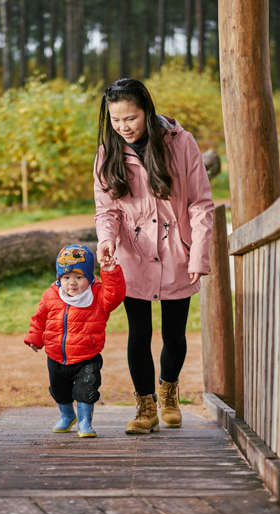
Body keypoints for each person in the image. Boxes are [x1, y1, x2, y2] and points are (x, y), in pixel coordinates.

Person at [93, 78, 214, 434]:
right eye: (115, 120)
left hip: (178, 251)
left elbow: (201, 204)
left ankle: (169, 392)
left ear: (147, 110)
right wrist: (106, 240)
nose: (123, 127)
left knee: (174, 334)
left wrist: (199, 256)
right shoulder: (108, 151)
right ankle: (145, 406)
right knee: (139, 332)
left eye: (130, 118)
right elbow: (107, 210)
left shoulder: (181, 143)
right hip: (133, 255)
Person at [24, 244, 126, 438]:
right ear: (59, 278)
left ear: (89, 278)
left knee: (86, 389)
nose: (72, 283)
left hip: (87, 356)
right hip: (55, 356)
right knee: (59, 390)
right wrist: (34, 337)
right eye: (66, 277)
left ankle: (85, 422)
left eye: (79, 277)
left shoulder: (98, 297)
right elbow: (39, 319)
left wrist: (110, 271)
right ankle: (67, 415)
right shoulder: (50, 296)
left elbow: (115, 294)